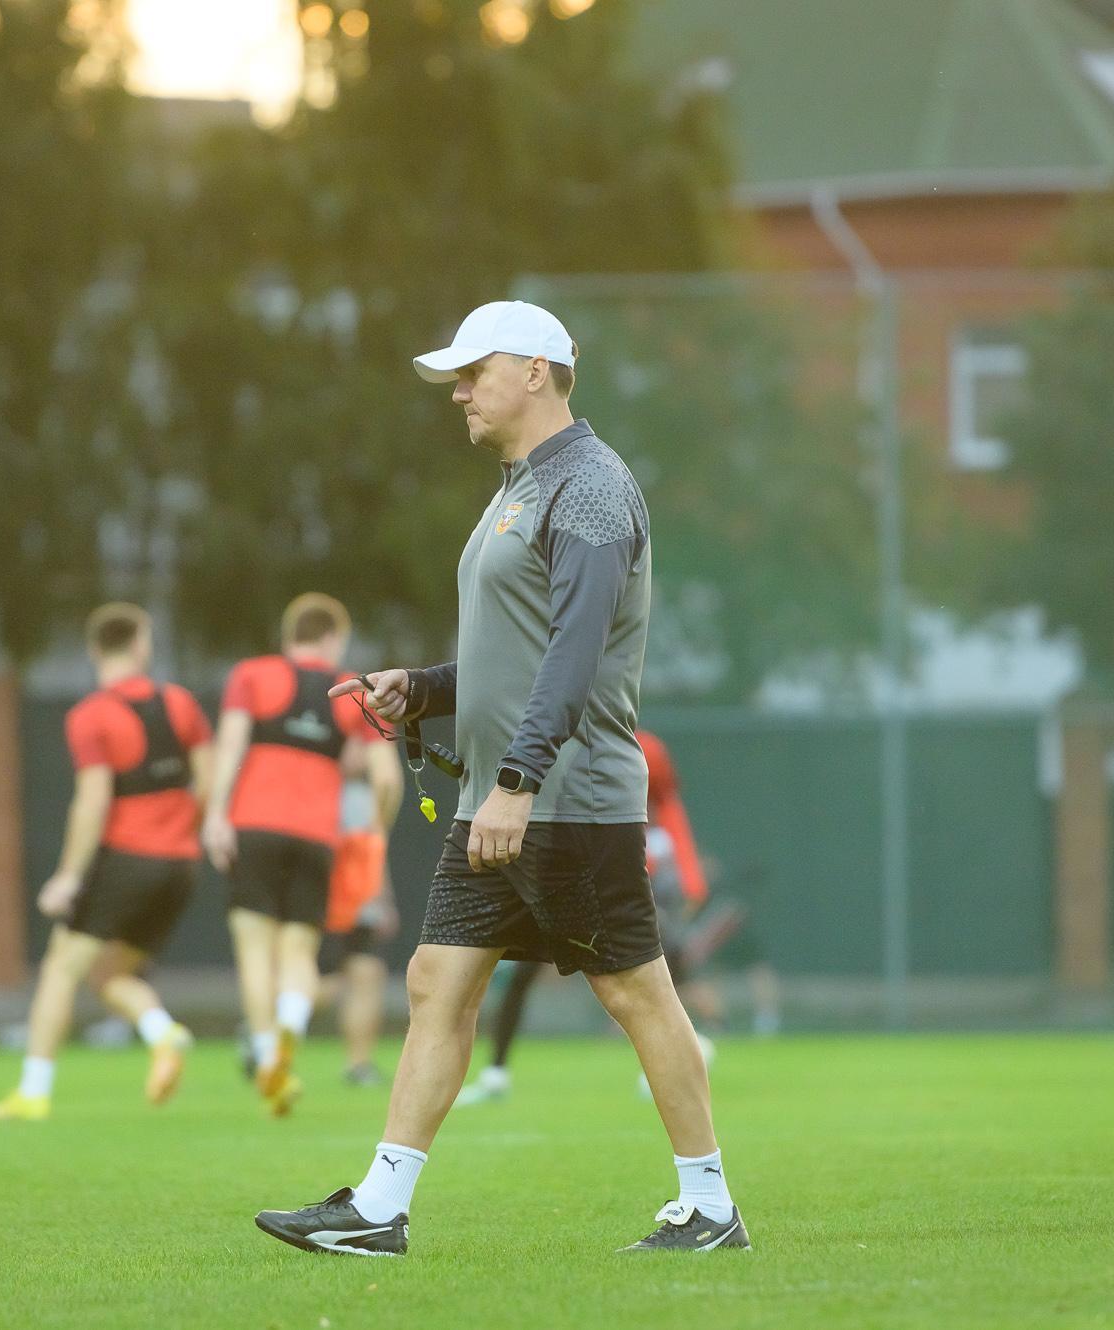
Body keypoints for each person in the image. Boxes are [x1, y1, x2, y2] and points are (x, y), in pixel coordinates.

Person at [253, 301, 749, 1256]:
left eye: (473, 373)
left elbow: (575, 651)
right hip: (500, 799)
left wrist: (518, 780)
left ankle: (711, 1206)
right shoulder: (519, 487)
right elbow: (510, 656)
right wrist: (423, 689)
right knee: (436, 982)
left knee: (637, 995)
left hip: (565, 800)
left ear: (534, 371)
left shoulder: (591, 486)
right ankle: (380, 1209)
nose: (459, 393)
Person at [0, 603, 212, 1122]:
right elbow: (209, 779)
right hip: (180, 864)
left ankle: (33, 1092)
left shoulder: (91, 715)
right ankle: (163, 1032)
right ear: (140, 644)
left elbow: (92, 801)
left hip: (125, 861)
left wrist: (68, 876)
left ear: (94, 650)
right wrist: (185, 830)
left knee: (60, 967)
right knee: (109, 974)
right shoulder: (180, 703)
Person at [454, 727, 731, 1106]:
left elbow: (666, 805)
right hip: (555, 873)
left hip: (616, 875)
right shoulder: (544, 740)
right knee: (523, 973)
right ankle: (496, 1074)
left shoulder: (645, 748)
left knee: (648, 973)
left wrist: (688, 873)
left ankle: (681, 1053)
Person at [203, 593, 399, 1116]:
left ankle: (269, 1053)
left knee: (254, 948)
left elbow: (230, 747)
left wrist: (216, 814)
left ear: (290, 633)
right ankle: (291, 1026)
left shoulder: (251, 676)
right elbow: (386, 779)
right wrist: (374, 833)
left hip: (254, 826)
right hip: (317, 837)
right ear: (333, 637)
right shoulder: (353, 690)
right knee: (298, 951)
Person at [316, 753, 403, 1087]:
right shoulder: (323, 790)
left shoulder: (365, 795)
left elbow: (374, 853)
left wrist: (382, 899)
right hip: (330, 905)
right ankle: (264, 1028)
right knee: (324, 986)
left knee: (368, 975)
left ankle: (359, 1064)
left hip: (363, 904)